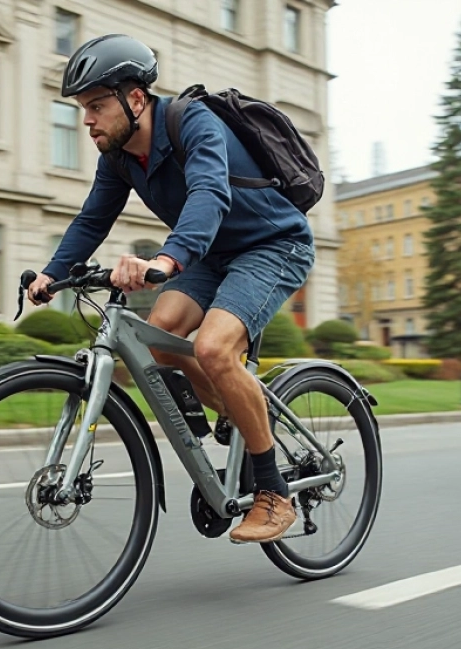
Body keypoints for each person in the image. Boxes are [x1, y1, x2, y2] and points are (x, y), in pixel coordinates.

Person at [28, 34, 316, 543]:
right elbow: (92, 220)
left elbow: (209, 192)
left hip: (273, 244)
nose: (87, 119)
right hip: (212, 254)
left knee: (213, 347)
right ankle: (239, 410)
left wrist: (165, 259)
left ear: (134, 99)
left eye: (96, 105)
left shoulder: (193, 122)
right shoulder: (118, 159)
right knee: (157, 338)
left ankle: (274, 494)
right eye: (82, 108)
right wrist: (52, 274)